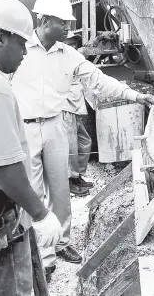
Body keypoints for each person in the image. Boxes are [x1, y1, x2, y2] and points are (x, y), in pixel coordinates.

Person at [10, 0, 154, 276]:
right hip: (24, 127)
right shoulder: (21, 49)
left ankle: (62, 241)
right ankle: (44, 254)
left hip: (55, 124)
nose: (68, 28)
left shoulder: (69, 55)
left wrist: (135, 97)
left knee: (61, 190)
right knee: (34, 191)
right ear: (44, 20)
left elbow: (99, 81)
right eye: (63, 23)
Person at [0, 0, 63, 295]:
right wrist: (41, 214)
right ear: (0, 39)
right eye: (21, 45)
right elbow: (4, 168)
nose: (24, 53)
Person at [63, 32, 92, 197]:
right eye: (70, 43)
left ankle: (78, 175)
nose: (73, 46)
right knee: (70, 147)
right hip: (66, 107)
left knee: (84, 142)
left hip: (76, 107)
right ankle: (69, 181)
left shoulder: (73, 57)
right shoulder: (60, 59)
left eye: (75, 43)